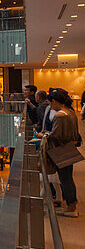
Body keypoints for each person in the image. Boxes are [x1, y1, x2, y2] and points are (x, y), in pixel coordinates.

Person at [44, 88, 80, 216]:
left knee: (65, 179)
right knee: (68, 178)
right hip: (70, 148)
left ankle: (71, 207)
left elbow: (56, 135)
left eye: (50, 103)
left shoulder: (59, 115)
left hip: (60, 150)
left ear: (54, 101)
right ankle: (71, 204)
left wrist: (47, 134)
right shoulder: (70, 113)